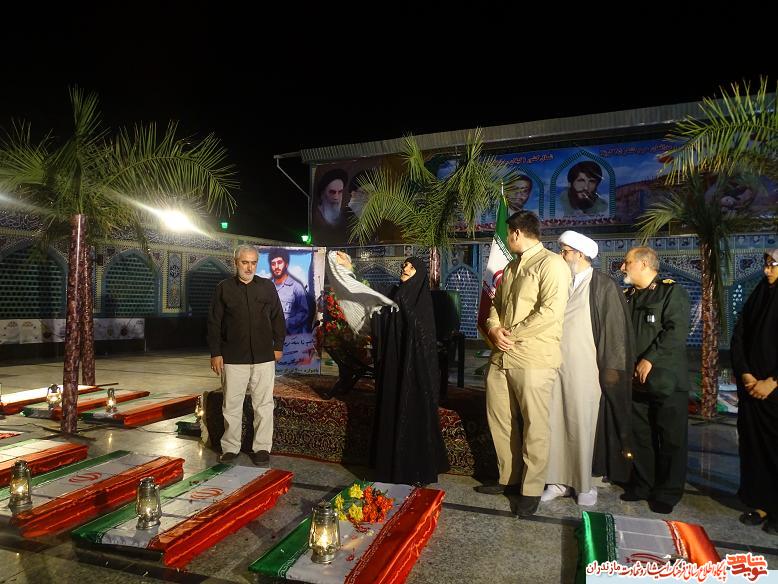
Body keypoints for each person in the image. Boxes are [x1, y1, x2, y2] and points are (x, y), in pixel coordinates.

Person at [477, 210, 571, 518]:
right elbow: (495, 304)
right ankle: (509, 478)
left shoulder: (552, 264)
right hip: (501, 356)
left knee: (534, 425)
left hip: (533, 357)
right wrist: (494, 329)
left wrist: (511, 334)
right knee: (500, 419)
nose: (507, 239)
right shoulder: (511, 267)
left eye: (508, 234)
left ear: (517, 233)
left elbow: (551, 312)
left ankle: (531, 490)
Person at [543, 231, 634, 506]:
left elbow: (615, 331)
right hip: (554, 366)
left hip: (587, 370)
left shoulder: (603, 285)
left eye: (565, 251)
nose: (561, 256)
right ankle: (557, 481)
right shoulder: (559, 281)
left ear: (580, 254)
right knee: (555, 423)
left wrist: (611, 370)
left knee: (581, 424)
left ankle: (584, 485)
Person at [619, 246, 690, 514]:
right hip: (635, 381)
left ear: (644, 264)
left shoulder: (670, 292)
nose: (623, 267)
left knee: (671, 438)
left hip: (665, 379)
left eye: (627, 262)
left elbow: (676, 330)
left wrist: (650, 359)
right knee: (640, 435)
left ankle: (668, 492)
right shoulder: (628, 296)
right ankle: (643, 484)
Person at [371, 256, 449, 486]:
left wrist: (400, 301)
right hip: (395, 363)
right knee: (392, 407)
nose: (405, 268)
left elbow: (421, 333)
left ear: (420, 274)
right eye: (404, 265)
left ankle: (414, 469)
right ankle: (389, 466)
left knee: (413, 412)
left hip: (415, 371)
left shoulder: (421, 301)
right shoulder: (396, 293)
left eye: (411, 267)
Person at [207, 245, 286, 465]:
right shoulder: (223, 289)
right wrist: (215, 353)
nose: (249, 267)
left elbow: (278, 318)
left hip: (263, 356)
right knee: (231, 405)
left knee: (264, 405)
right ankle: (230, 448)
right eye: (245, 262)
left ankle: (261, 448)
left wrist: (278, 345)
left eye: (253, 263)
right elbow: (214, 323)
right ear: (235, 263)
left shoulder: (267, 287)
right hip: (233, 358)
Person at [730, 248, 778, 535]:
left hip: (774, 390)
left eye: (772, 265)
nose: (766, 270)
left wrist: (772, 381)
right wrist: (746, 374)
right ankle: (760, 502)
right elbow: (740, 335)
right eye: (766, 264)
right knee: (754, 447)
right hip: (752, 388)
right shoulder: (759, 294)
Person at [268, 248, 310, 334]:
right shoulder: (266, 286)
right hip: (269, 336)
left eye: (279, 262)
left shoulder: (296, 287)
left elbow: (304, 312)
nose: (276, 267)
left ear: (286, 264)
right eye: (273, 264)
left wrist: (287, 323)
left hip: (290, 337)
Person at [311, 168, 356, 246]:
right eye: (332, 192)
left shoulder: (348, 215)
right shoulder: (315, 216)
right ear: (322, 194)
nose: (336, 197)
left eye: (340, 192)